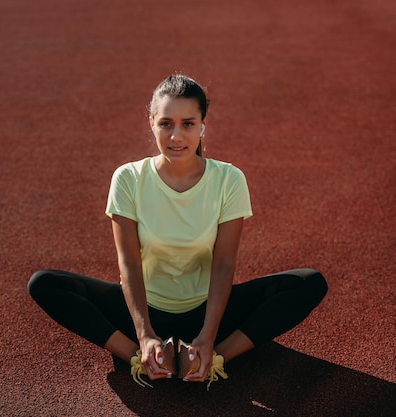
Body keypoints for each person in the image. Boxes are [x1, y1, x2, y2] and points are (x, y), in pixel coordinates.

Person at [27, 74, 328, 389]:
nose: (176, 136)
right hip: (143, 312)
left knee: (308, 283)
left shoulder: (229, 179)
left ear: (202, 125)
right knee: (45, 284)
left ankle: (215, 357)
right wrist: (143, 336)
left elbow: (224, 263)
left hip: (207, 311)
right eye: (165, 124)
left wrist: (208, 338)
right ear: (151, 124)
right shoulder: (128, 178)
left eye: (188, 123)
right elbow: (128, 263)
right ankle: (138, 355)